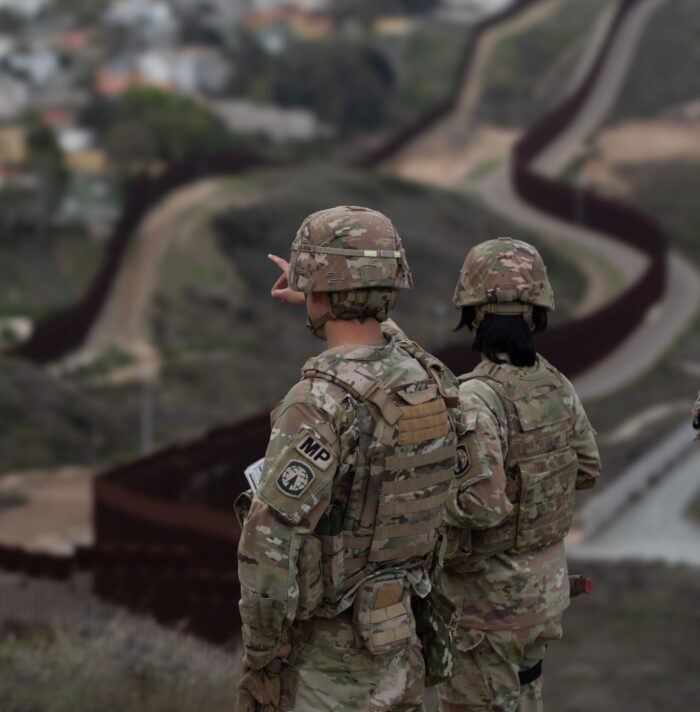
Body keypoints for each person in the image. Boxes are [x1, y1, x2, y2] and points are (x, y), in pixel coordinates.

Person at [236, 206, 461, 711]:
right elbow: (399, 346)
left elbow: (268, 547)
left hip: (329, 670)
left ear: (319, 291)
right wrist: (331, 295)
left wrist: (263, 653)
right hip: (401, 650)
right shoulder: (428, 380)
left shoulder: (316, 403)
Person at [437, 238, 600, 712]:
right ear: (537, 311)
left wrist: (431, 494)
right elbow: (588, 468)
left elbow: (479, 507)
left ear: (472, 312)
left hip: (487, 609)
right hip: (544, 595)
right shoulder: (554, 383)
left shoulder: (475, 397)